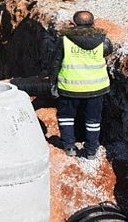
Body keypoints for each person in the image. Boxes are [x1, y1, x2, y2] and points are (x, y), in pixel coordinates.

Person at [49, 10, 114, 159]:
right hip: (96, 88)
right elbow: (108, 51)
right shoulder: (103, 40)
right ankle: (91, 150)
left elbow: (55, 63)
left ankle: (69, 147)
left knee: (66, 117)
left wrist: (53, 83)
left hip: (69, 87)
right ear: (93, 23)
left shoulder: (65, 39)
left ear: (74, 23)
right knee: (93, 120)